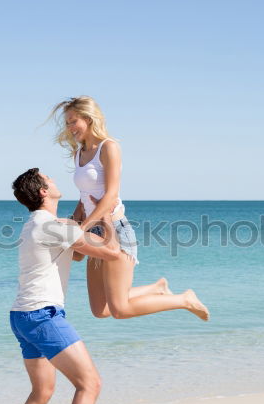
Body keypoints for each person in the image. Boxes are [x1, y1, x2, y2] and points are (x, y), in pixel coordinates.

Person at [3, 167, 122, 404]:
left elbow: (77, 254)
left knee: (42, 392)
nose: (55, 181)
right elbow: (111, 252)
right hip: (44, 316)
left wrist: (80, 221)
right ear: (44, 192)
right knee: (90, 384)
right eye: (50, 180)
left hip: (22, 316)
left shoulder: (36, 224)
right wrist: (106, 216)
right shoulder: (54, 226)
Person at [48, 96, 210, 321]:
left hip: (114, 228)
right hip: (93, 230)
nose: (70, 128)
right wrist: (73, 223)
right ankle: (158, 288)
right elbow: (85, 196)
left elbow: (111, 195)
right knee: (100, 310)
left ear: (89, 118)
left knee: (120, 310)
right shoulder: (78, 154)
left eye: (73, 121)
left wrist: (81, 228)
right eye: (67, 123)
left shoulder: (109, 147)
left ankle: (184, 299)